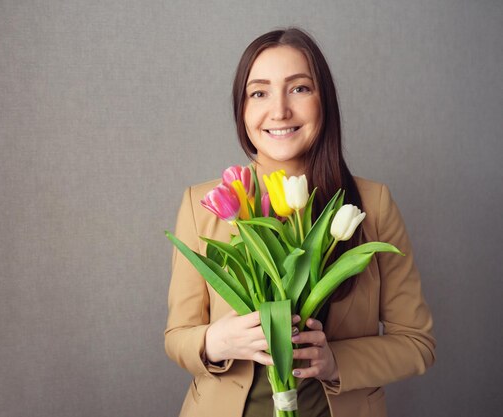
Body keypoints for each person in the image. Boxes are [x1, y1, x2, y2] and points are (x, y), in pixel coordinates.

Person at [164, 27, 435, 417]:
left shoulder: (371, 205)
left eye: (299, 88)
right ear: (242, 110)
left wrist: (335, 360)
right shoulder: (204, 205)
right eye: (259, 93)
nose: (279, 111)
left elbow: (416, 343)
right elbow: (177, 337)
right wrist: (214, 341)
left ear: (324, 101)